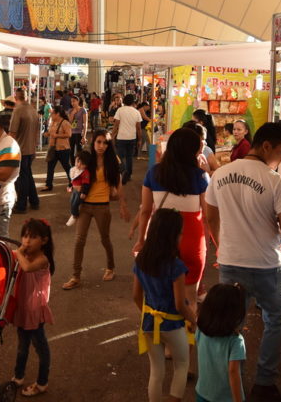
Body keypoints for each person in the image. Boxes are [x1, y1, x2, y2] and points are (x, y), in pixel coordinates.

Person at [205, 122, 281, 402]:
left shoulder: (221, 174)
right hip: (266, 264)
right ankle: (264, 384)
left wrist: (222, 245)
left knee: (231, 322)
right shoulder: (275, 181)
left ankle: (227, 382)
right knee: (274, 321)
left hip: (231, 261)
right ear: (267, 146)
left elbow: (211, 216)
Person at [134, 127, 210, 314]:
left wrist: (141, 239)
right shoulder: (200, 176)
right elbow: (207, 216)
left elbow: (145, 211)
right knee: (189, 299)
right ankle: (188, 340)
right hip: (192, 239)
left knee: (161, 293)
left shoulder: (154, 173)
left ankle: (166, 336)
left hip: (160, 238)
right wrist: (209, 242)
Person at [133, 208, 197, 402]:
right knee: (182, 364)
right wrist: (193, 320)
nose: (181, 236)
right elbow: (179, 303)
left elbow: (136, 296)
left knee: (156, 371)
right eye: (180, 233)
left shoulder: (141, 259)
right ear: (172, 236)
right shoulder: (175, 265)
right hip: (172, 324)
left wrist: (149, 314)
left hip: (149, 323)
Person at [62, 129, 130, 290]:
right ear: (93, 143)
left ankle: (110, 267)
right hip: (85, 206)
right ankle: (76, 276)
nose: (101, 146)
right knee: (79, 241)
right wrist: (73, 187)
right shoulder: (88, 159)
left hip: (102, 207)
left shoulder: (113, 160)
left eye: (105, 143)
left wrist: (123, 205)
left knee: (105, 239)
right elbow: (76, 173)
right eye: (98, 142)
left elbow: (118, 183)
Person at [12, 218, 55, 397]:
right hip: (23, 308)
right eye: (25, 236)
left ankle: (42, 382)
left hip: (35, 310)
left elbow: (28, 268)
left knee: (41, 347)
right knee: (22, 345)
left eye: (33, 237)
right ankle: (18, 376)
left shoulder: (42, 259)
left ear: (44, 240)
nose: (27, 241)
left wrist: (18, 252)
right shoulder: (26, 255)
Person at [195, 283, 247, 402]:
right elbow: (233, 372)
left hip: (202, 392)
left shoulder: (201, 330)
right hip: (225, 398)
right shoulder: (236, 341)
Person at [10, 88, 40, 214]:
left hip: (20, 149)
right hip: (30, 148)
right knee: (27, 175)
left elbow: (12, 133)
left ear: (15, 97)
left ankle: (21, 205)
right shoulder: (33, 110)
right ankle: (34, 201)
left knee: (21, 178)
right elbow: (37, 131)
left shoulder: (18, 111)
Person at [111, 94, 141, 184]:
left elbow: (116, 125)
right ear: (133, 102)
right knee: (129, 157)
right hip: (132, 137)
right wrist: (140, 139)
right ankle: (128, 174)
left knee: (120, 157)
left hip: (121, 137)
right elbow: (138, 128)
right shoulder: (136, 112)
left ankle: (123, 172)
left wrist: (112, 135)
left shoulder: (120, 110)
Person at [42, 107, 72, 192]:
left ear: (57, 114)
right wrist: (47, 134)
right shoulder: (53, 122)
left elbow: (69, 134)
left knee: (66, 167)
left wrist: (57, 136)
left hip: (63, 149)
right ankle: (48, 185)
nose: (51, 115)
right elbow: (51, 132)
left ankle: (73, 182)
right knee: (50, 167)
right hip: (53, 148)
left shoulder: (65, 123)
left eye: (52, 114)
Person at [66, 150, 92, 227]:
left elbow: (86, 184)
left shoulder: (85, 172)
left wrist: (84, 192)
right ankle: (74, 214)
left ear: (86, 165)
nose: (79, 165)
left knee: (75, 204)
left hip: (80, 192)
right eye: (77, 161)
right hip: (74, 191)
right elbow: (72, 179)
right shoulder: (75, 169)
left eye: (82, 163)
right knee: (71, 202)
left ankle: (74, 216)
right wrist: (69, 185)